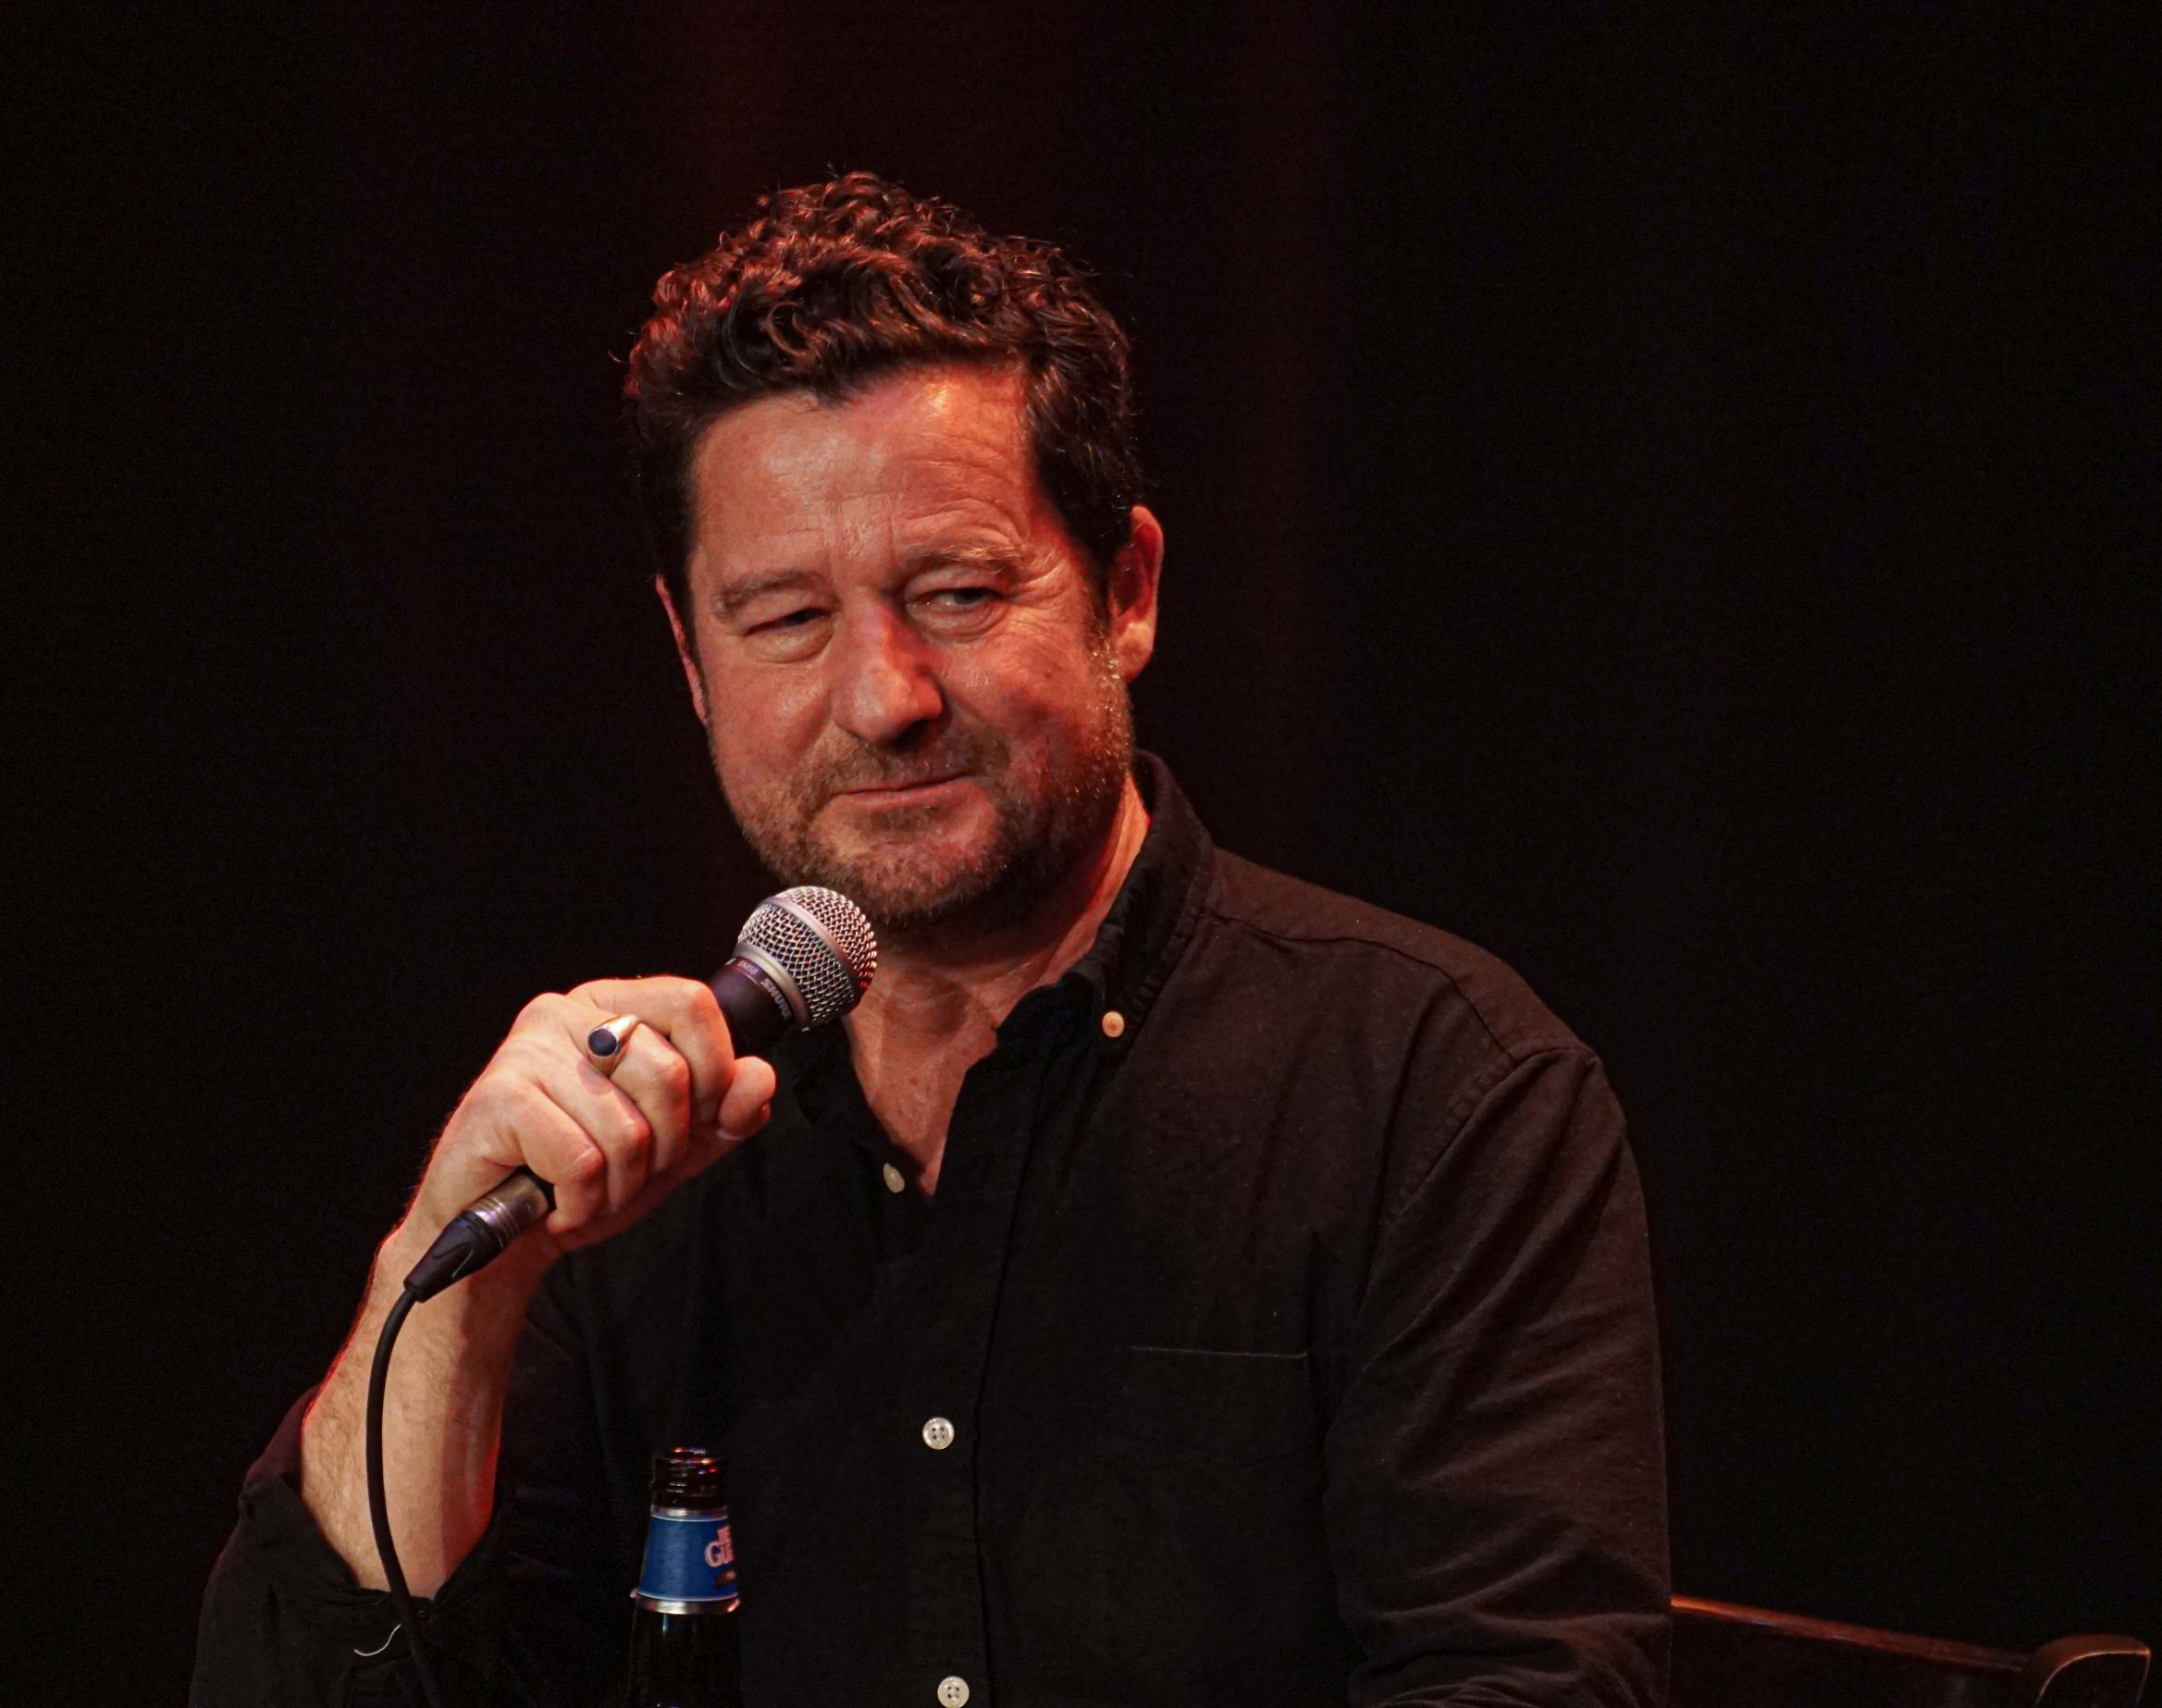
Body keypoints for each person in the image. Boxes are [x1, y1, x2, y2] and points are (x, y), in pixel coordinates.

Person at [192, 173, 1669, 1707]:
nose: (884, 696)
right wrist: (457, 1274)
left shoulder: (1436, 1095)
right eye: (786, 619)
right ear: (691, 657)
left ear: (1127, 594)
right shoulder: (629, 1150)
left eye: (957, 592)